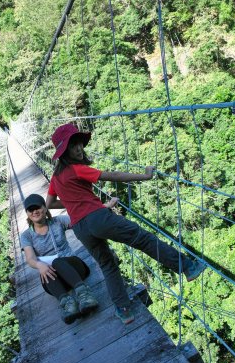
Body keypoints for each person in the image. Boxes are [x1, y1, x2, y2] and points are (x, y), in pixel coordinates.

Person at [45, 123, 207, 325]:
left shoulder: (56, 177)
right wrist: (145, 176)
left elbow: (49, 204)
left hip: (80, 229)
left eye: (79, 144)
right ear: (63, 152)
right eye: (72, 146)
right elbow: (112, 176)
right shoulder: (78, 169)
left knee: (107, 265)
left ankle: (123, 310)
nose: (78, 149)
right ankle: (187, 267)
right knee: (144, 240)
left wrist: (71, 204)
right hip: (99, 218)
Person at [19, 193, 99, 324]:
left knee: (57, 262)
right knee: (45, 272)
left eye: (37, 207)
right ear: (27, 213)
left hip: (74, 269)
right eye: (30, 210)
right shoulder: (26, 236)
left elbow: (80, 220)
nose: (35, 212)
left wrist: (101, 209)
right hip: (57, 281)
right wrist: (40, 266)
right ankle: (68, 305)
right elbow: (30, 258)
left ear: (45, 208)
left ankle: (85, 296)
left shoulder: (58, 221)